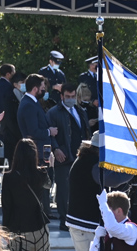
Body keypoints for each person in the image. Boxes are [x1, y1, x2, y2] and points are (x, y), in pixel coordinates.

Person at [2, 138, 50, 251]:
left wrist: (5, 232)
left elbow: (6, 207)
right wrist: (49, 166)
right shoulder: (40, 174)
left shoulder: (9, 177)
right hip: (38, 228)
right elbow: (49, 185)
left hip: (16, 228)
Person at [46, 83, 90, 231]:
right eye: (67, 96)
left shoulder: (80, 111)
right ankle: (64, 220)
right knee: (64, 190)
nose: (70, 99)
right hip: (63, 156)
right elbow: (50, 134)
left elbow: (85, 131)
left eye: (73, 96)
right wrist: (56, 149)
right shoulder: (53, 113)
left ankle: (78, 218)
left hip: (81, 156)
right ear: (62, 96)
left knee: (80, 188)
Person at [17, 74, 57, 220]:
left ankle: (44, 211)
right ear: (35, 89)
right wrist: (49, 131)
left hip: (41, 151)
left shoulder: (32, 103)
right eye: (42, 88)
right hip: (36, 152)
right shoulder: (28, 105)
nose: (44, 91)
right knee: (40, 184)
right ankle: (42, 212)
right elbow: (33, 131)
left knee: (44, 183)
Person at [0, 71, 26, 162]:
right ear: (15, 84)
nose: (24, 85)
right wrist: (20, 134)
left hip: (21, 137)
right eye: (22, 82)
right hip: (12, 137)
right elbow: (9, 120)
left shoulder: (24, 96)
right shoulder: (9, 97)